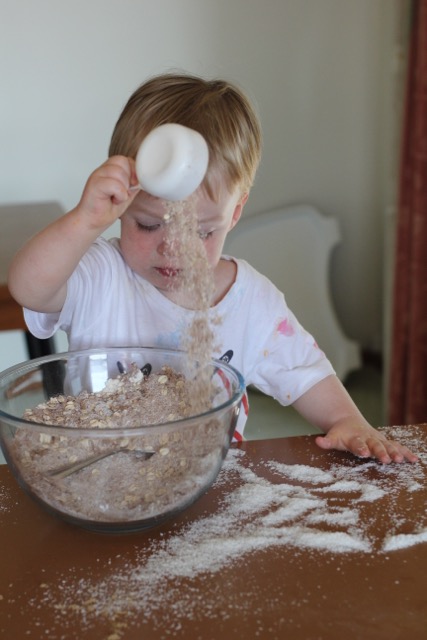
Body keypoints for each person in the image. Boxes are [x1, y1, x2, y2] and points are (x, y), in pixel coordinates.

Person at [8, 72, 417, 464]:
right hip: (101, 479)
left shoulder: (250, 301)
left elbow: (304, 372)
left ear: (235, 212)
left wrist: (348, 421)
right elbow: (28, 289)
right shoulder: (101, 275)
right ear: (121, 205)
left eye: (201, 231)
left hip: (205, 485)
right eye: (148, 224)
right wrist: (83, 221)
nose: (174, 249)